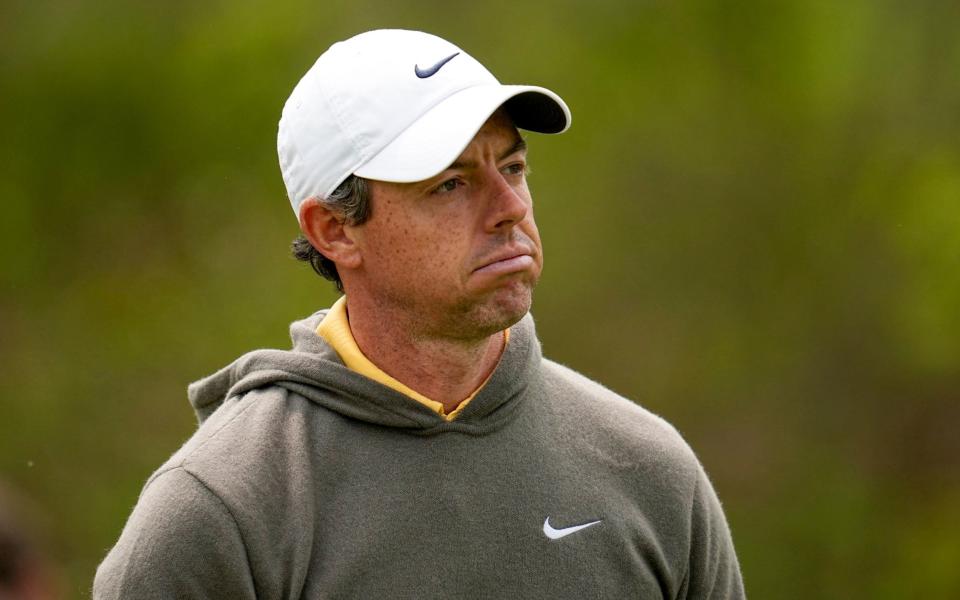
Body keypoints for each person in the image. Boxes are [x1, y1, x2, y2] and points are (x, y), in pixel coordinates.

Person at [94, 29, 745, 599]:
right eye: (451, 183)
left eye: (512, 166)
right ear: (335, 230)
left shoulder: (651, 471)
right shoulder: (221, 511)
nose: (508, 207)